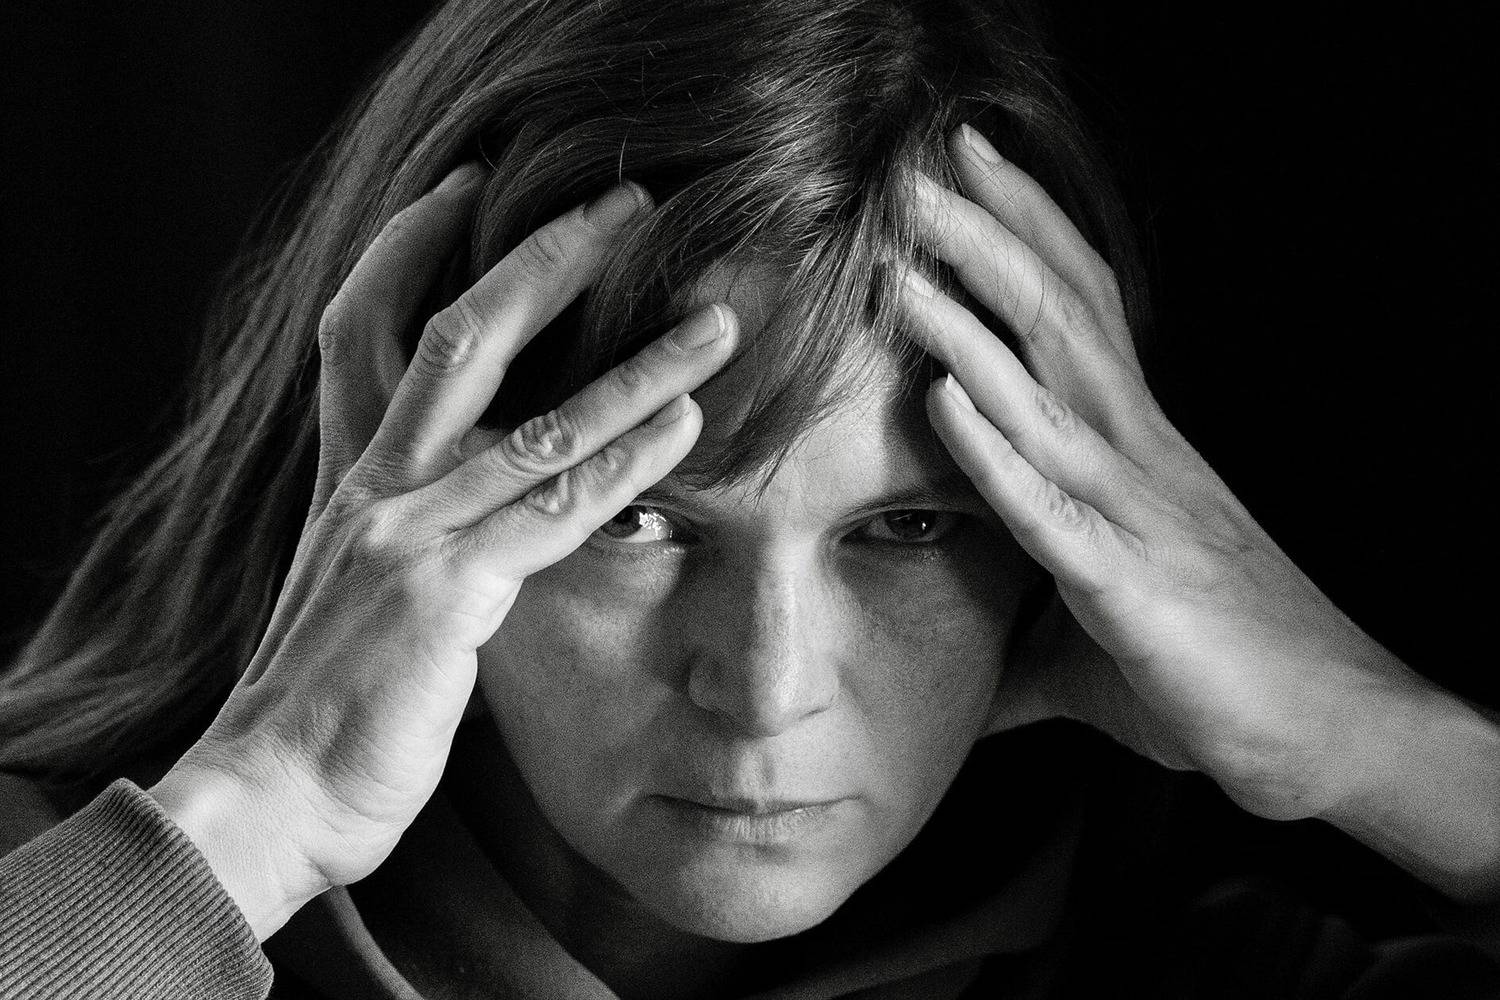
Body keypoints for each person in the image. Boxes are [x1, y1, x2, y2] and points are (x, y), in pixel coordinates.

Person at [1, 0, 1497, 996]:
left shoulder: (1192, 977)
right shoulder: (60, 899)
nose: (768, 688)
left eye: (907, 530)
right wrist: (257, 816)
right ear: (388, 499)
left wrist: (1374, 739)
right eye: (630, 518)